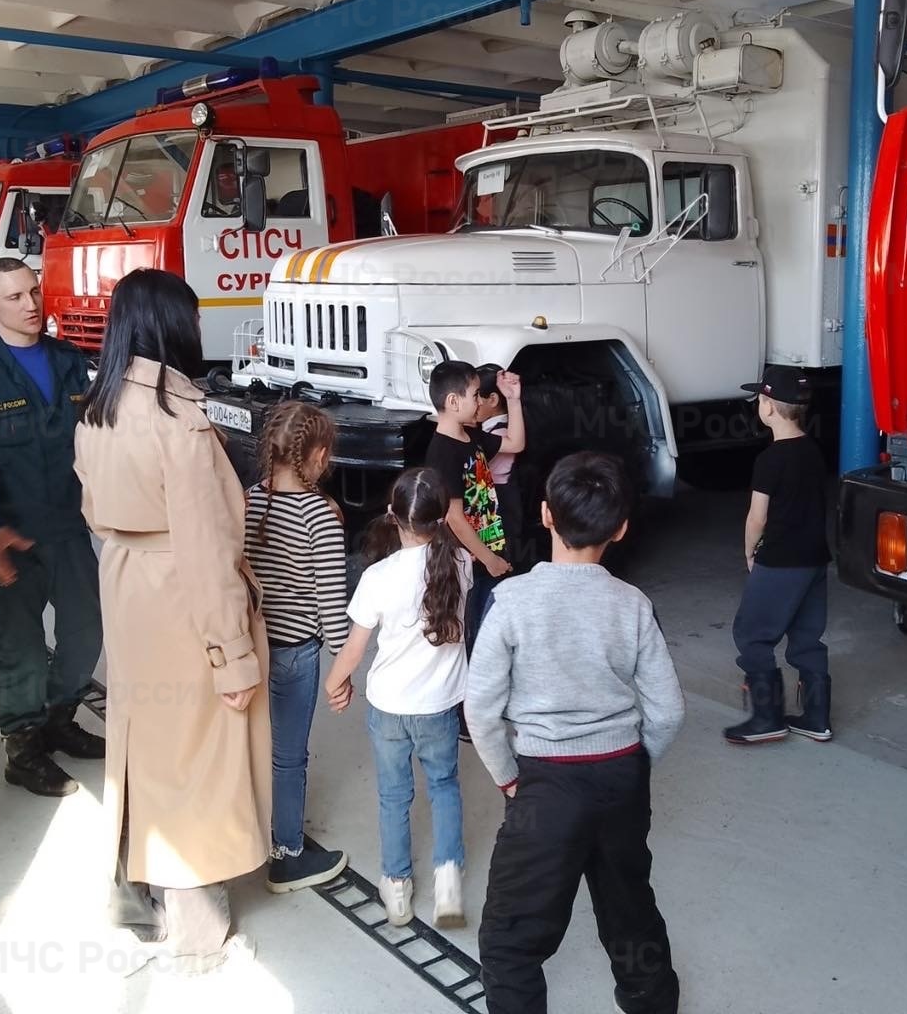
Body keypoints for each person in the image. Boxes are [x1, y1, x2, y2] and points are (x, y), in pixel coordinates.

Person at [73, 268, 269, 975]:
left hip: (125, 582)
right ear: (172, 326)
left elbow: (95, 512)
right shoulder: (180, 419)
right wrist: (232, 656)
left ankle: (131, 887)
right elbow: (208, 551)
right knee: (199, 753)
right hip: (182, 594)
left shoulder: (98, 406)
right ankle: (196, 923)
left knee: (143, 735)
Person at [466, 452, 684, 1014]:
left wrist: (510, 780)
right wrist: (634, 765)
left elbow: (481, 710)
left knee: (510, 939)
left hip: (544, 784)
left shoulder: (510, 601)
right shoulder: (633, 605)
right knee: (629, 908)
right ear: (620, 528)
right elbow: (667, 712)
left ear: (544, 515)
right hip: (620, 779)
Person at [0, 257, 103, 797]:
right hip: (6, 536)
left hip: (70, 529)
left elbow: (96, 442)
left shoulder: (69, 360)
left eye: (34, 291)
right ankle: (23, 746)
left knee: (85, 635)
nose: (31, 305)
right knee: (22, 648)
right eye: (14, 297)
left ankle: (59, 718)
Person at [323, 467, 471, 930]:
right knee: (444, 786)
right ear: (444, 516)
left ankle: (398, 888)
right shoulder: (462, 564)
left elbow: (354, 647)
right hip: (440, 706)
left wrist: (336, 684)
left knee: (394, 795)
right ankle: (448, 882)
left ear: (392, 516)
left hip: (390, 706)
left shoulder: (378, 577)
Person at [243, 401, 351, 894]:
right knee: (288, 757)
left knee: (252, 745)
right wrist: (342, 665)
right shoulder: (320, 515)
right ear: (320, 455)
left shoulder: (248, 498)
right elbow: (331, 600)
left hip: (251, 646)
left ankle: (248, 835)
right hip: (294, 652)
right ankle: (286, 854)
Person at [723, 365, 832, 745]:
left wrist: (750, 552)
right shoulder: (814, 451)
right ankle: (817, 718)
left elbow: (758, 517)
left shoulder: (770, 460)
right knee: (807, 638)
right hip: (815, 560)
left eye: (760, 400)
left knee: (752, 634)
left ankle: (767, 718)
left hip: (781, 560)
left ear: (768, 408)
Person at [423, 360, 524, 656]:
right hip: (466, 563)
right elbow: (454, 517)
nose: (480, 402)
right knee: (471, 638)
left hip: (485, 557)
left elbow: (515, 443)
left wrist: (514, 400)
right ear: (454, 402)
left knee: (485, 634)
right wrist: (489, 559)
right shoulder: (442, 452)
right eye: (475, 395)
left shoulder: (472, 437)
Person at [474, 364, 533, 574]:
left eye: (475, 398)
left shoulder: (499, 434)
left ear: (492, 400)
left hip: (501, 502)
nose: (474, 404)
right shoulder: (500, 426)